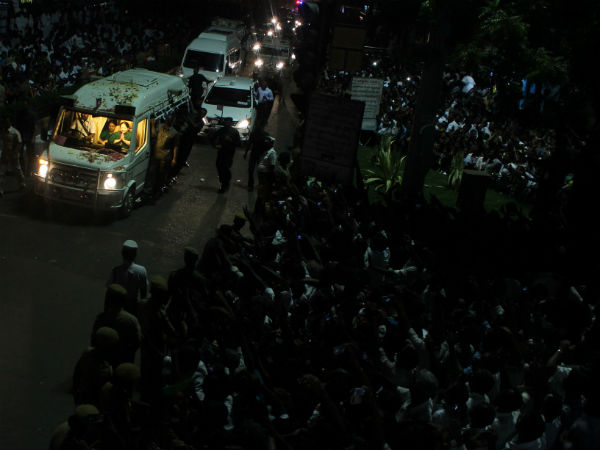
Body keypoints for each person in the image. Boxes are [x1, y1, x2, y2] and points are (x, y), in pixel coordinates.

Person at [107, 240, 148, 315]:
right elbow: (143, 295)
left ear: (122, 253)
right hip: (133, 308)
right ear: (135, 255)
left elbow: (109, 293)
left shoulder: (115, 270)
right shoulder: (142, 270)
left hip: (117, 309)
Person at [210, 116, 241, 193]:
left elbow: (239, 143)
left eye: (228, 122)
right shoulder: (221, 130)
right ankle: (223, 181)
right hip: (221, 152)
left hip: (229, 153)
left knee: (225, 167)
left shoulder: (234, 132)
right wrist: (215, 145)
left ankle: (225, 184)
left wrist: (231, 140)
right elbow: (213, 137)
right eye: (226, 121)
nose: (227, 123)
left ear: (231, 123)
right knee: (219, 166)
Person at [0, 117, 26, 195]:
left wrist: (15, 153)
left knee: (17, 170)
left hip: (13, 154)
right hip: (5, 154)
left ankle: (22, 183)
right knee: (1, 172)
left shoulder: (15, 132)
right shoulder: (3, 131)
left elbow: (19, 143)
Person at [244, 125, 271, 192]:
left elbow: (249, 143)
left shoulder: (255, 134)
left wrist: (246, 153)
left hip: (256, 154)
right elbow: (268, 146)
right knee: (257, 170)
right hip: (259, 154)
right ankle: (259, 185)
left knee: (252, 170)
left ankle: (252, 185)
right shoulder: (265, 134)